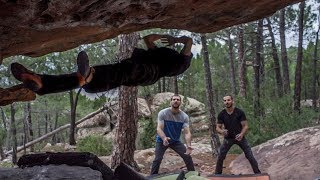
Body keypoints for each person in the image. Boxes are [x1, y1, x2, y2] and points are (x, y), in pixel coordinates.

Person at [0, 34, 193, 106]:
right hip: (134, 68)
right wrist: (170, 38)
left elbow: (189, 42)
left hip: (148, 72)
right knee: (95, 76)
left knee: (114, 74)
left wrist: (179, 40)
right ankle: (43, 83)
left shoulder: (181, 63)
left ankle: (86, 79)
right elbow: (149, 39)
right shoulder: (160, 54)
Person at [215, 95, 261, 174]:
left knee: (250, 156)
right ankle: (217, 175)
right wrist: (222, 131)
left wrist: (242, 134)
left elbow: (245, 126)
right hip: (228, 138)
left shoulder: (239, 112)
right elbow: (217, 128)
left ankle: (258, 174)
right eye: (225, 101)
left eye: (228, 100)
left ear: (232, 101)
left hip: (240, 138)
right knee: (220, 156)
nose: (227, 102)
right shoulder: (222, 114)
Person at [150, 94, 195, 175]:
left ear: (180, 102)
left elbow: (187, 132)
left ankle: (193, 175)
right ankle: (152, 176)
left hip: (175, 141)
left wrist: (188, 145)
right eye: (174, 99)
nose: (176, 101)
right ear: (170, 101)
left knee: (187, 156)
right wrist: (164, 138)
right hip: (162, 140)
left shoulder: (184, 116)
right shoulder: (163, 113)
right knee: (157, 159)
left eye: (178, 100)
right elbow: (159, 128)